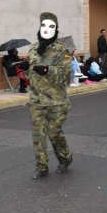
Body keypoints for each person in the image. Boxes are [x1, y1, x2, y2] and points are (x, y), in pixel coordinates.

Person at [26, 12, 73, 179]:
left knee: (54, 132)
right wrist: (26, 68)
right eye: (43, 25)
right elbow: (30, 76)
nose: (46, 29)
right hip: (36, 99)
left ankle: (65, 157)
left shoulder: (62, 50)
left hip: (56, 101)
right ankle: (41, 167)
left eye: (51, 26)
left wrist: (48, 70)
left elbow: (66, 76)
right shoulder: (32, 49)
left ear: (56, 30)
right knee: (38, 134)